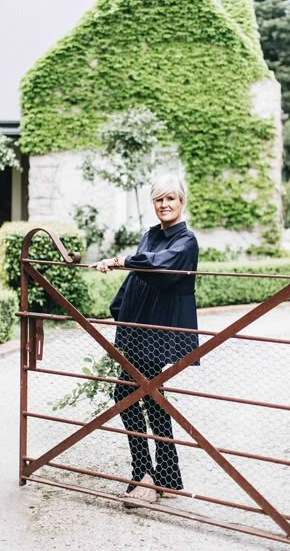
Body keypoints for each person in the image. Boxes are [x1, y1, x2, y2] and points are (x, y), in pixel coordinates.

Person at [90, 174, 199, 505]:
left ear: (182, 202)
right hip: (139, 329)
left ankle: (146, 475)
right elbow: (140, 273)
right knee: (151, 399)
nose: (164, 205)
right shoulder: (151, 235)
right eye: (158, 200)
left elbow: (159, 268)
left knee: (129, 394)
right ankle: (165, 476)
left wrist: (123, 259)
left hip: (159, 331)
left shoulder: (187, 241)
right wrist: (119, 307)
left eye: (170, 199)